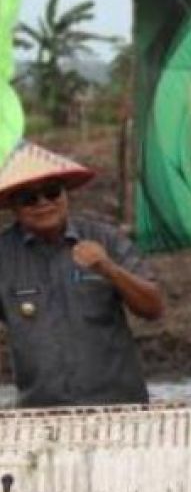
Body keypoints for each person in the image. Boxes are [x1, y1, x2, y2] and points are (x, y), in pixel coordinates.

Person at [0, 141, 163, 407]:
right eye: (29, 198)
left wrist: (108, 269)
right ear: (14, 208)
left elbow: (153, 308)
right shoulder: (3, 255)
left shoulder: (106, 238)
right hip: (40, 412)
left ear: (66, 195)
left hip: (119, 406)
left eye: (52, 192)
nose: (43, 203)